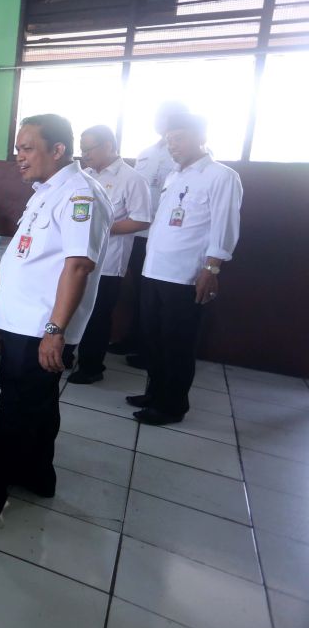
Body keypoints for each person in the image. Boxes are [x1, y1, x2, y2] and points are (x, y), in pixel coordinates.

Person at [0, 114, 110, 530]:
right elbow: (35, 260)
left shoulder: (79, 195)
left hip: (40, 329)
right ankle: (36, 473)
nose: (19, 156)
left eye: (27, 148)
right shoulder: (47, 191)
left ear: (58, 150)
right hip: (23, 322)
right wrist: (5, 306)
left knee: (15, 411)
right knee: (39, 404)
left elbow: (78, 266)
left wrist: (54, 330)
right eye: (18, 148)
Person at [129, 113, 242, 426]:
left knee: (177, 343)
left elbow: (225, 226)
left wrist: (212, 269)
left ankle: (172, 405)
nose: (172, 145)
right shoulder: (174, 176)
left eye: (178, 138)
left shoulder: (221, 176)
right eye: (168, 140)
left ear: (199, 136)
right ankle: (155, 393)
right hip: (154, 270)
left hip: (185, 275)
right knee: (153, 338)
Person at [68, 126, 151, 384]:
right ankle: (66, 355)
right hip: (77, 258)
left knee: (97, 315)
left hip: (108, 262)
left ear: (108, 146)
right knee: (71, 308)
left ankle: (92, 367)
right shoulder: (84, 175)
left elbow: (142, 220)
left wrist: (103, 227)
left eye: (88, 149)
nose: (84, 154)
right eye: (81, 149)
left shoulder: (132, 178)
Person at [110, 105, 180, 356]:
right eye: (158, 118)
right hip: (136, 233)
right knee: (138, 291)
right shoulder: (147, 152)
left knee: (158, 295)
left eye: (165, 117)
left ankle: (149, 348)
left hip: (165, 236)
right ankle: (135, 339)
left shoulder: (184, 152)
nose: (159, 122)